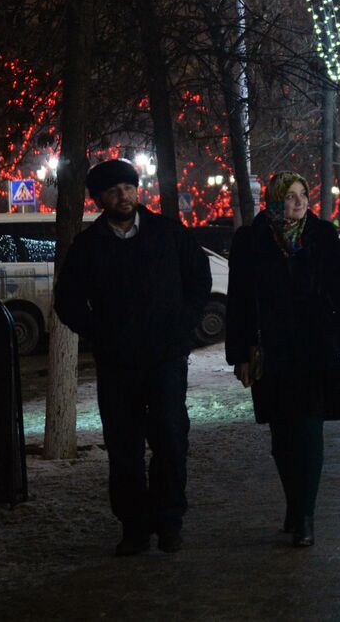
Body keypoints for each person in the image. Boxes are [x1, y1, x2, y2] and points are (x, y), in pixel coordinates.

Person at [54, 157, 211, 557]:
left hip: (165, 359)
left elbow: (199, 280)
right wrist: (99, 333)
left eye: (128, 187)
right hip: (118, 363)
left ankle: (169, 522)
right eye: (113, 191)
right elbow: (68, 300)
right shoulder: (89, 246)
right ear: (100, 199)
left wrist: (183, 323)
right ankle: (134, 528)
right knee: (124, 450)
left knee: (171, 441)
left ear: (138, 190)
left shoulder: (167, 234)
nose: (123, 196)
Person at [225, 171, 340, 547]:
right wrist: (241, 354)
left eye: (301, 195)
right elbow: (239, 303)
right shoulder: (251, 241)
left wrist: (333, 325)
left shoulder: (322, 235)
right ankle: (294, 504)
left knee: (310, 432)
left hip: (315, 351)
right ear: (274, 199)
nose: (297, 202)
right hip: (272, 352)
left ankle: (306, 515)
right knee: (283, 437)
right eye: (289, 196)